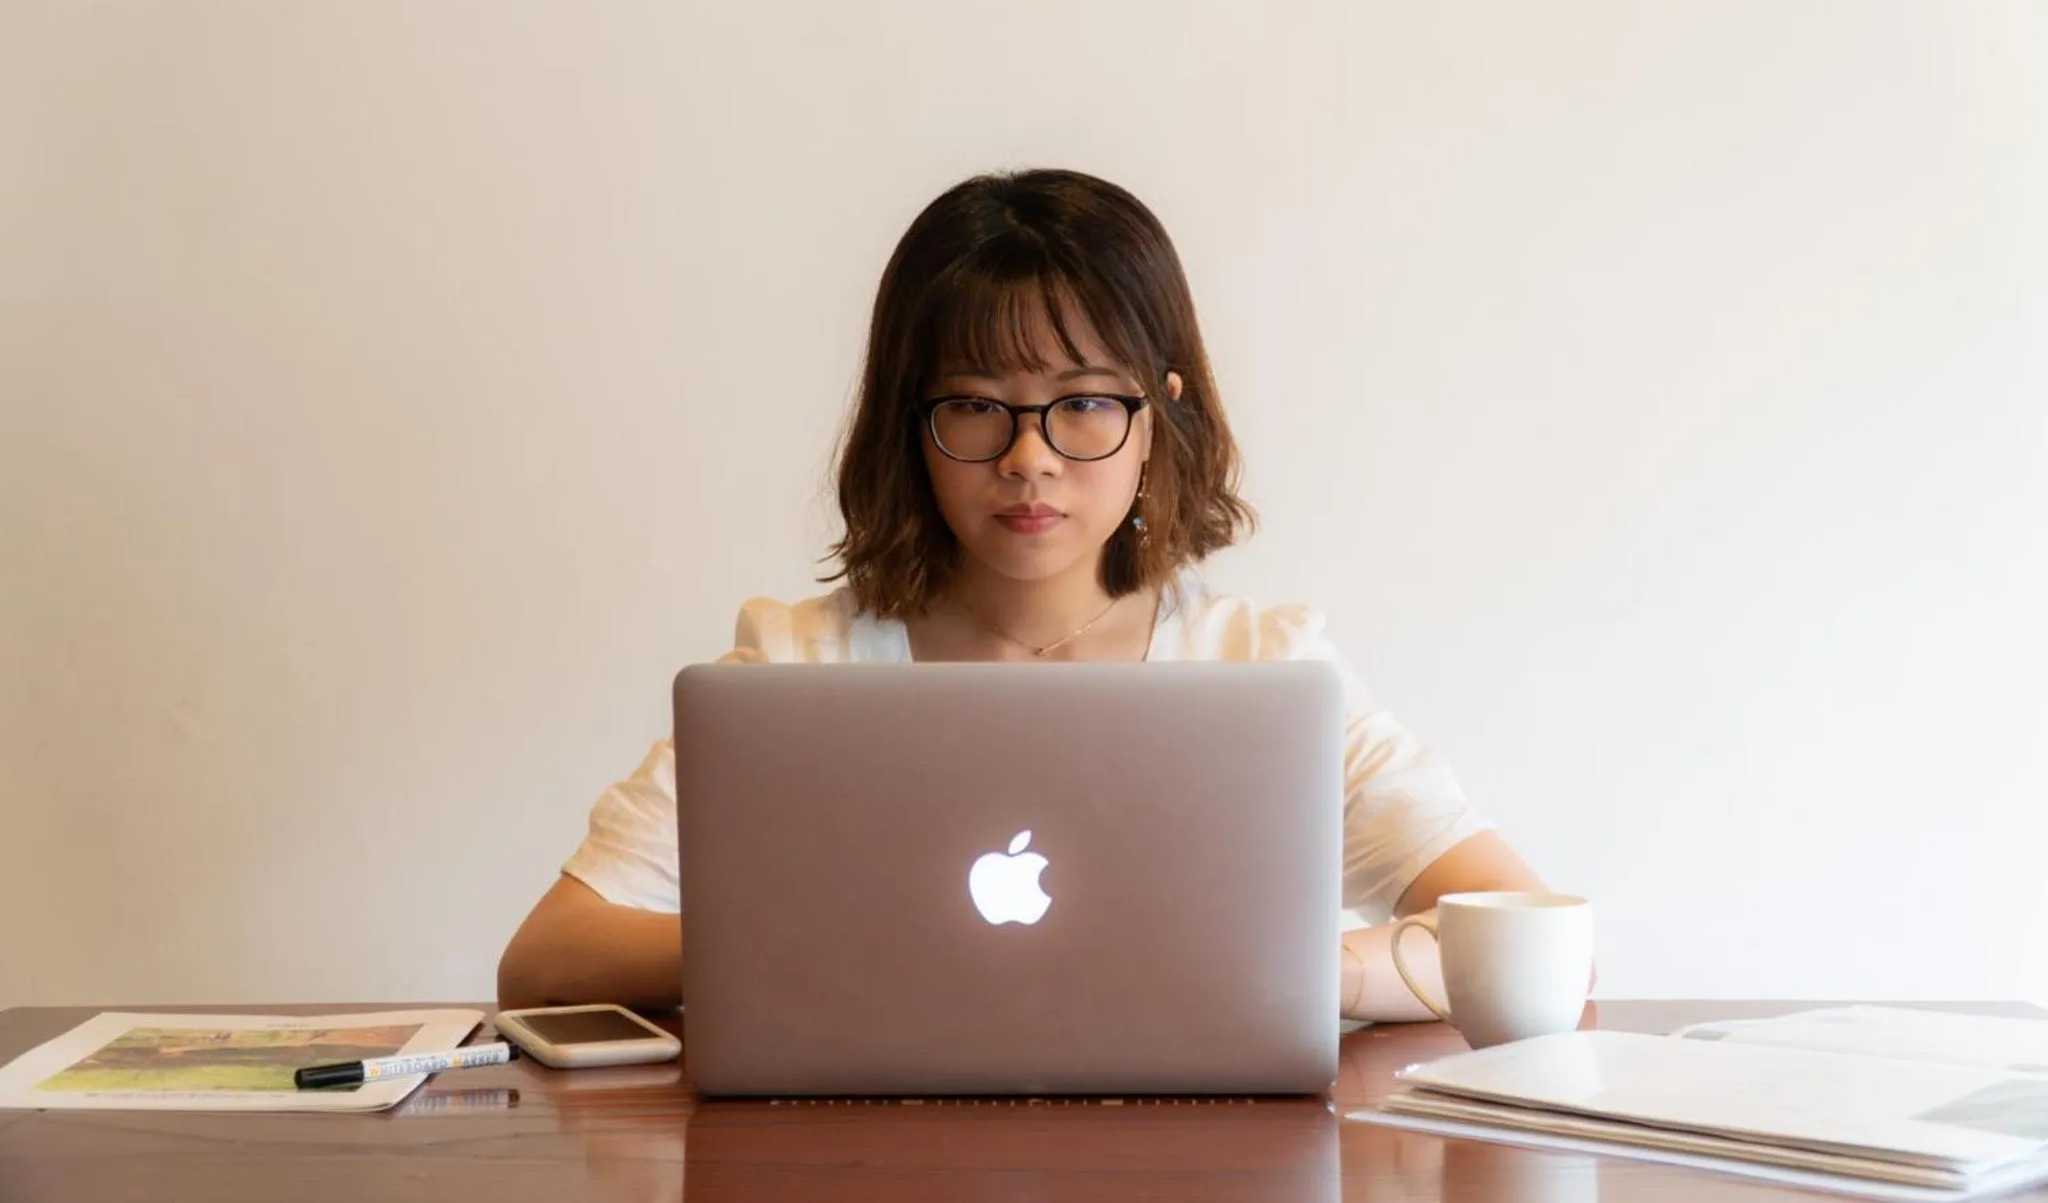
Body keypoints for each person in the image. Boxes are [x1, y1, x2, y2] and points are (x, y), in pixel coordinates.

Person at [497, 168, 1549, 1020]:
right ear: (908, 425)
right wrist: (859, 945)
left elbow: (1528, 931)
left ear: (1157, 418)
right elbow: (548, 959)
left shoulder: (1262, 672)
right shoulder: (795, 669)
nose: (1029, 459)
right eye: (975, 407)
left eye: (1082, 404)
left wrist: (1312, 974)